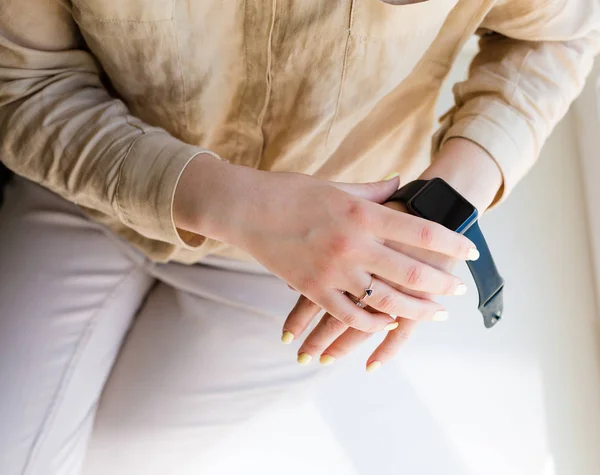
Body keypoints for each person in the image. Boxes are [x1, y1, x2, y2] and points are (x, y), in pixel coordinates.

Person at [0, 0, 598, 474]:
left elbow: (555, 33)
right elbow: (26, 82)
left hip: (322, 270)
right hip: (90, 194)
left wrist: (443, 205)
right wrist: (236, 204)